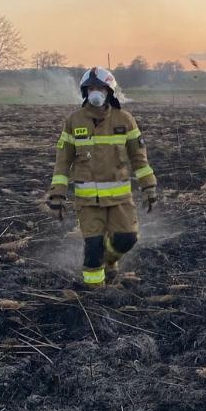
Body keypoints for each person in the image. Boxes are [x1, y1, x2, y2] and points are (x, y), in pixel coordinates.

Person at [46, 67, 158, 287]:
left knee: (127, 238)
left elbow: (139, 158)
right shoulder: (74, 121)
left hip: (120, 199)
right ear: (85, 92)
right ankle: (94, 293)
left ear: (109, 91)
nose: (95, 92)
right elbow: (62, 161)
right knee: (93, 247)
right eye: (91, 88)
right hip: (88, 202)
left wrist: (149, 187)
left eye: (100, 88)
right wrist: (57, 194)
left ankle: (109, 262)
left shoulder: (125, 120)